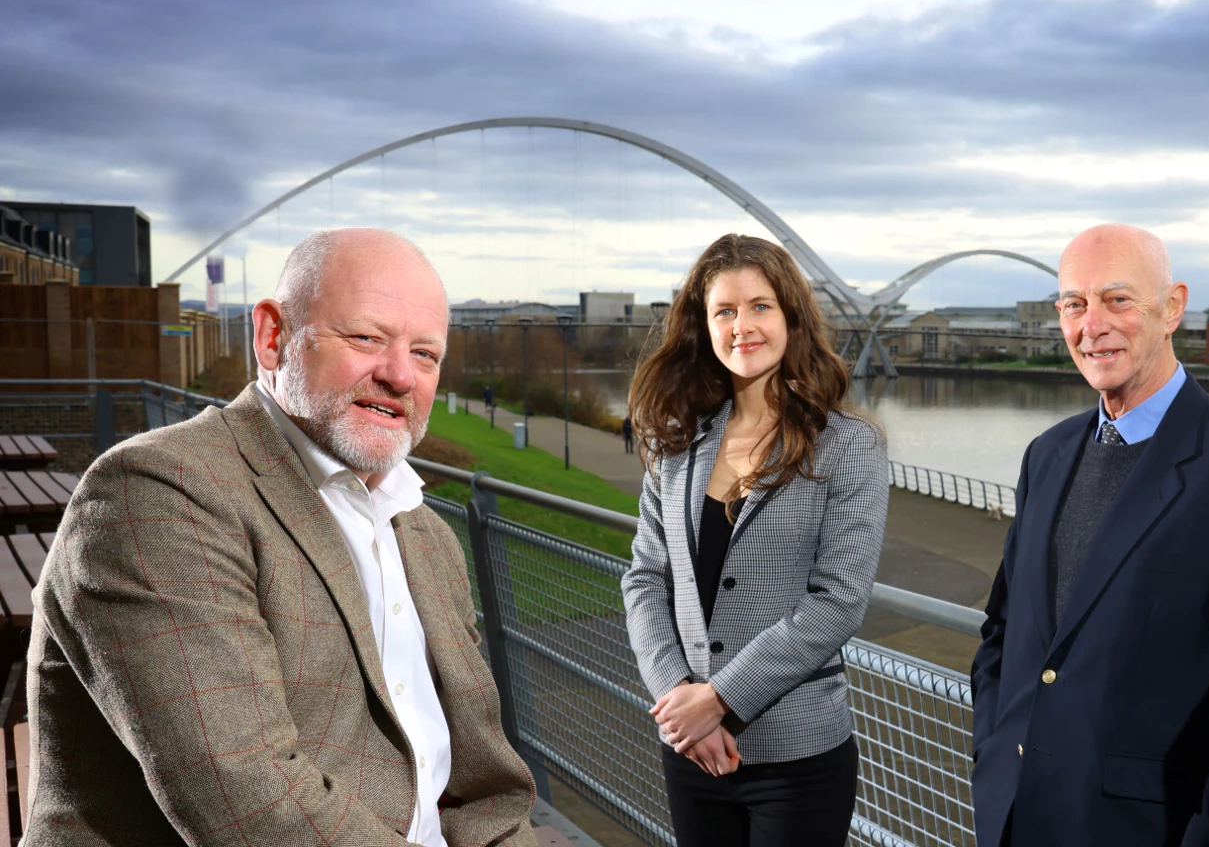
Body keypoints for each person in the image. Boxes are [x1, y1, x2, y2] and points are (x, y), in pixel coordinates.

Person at [26, 228, 538, 845]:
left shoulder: (425, 533)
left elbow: (484, 787)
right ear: (273, 338)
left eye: (425, 354)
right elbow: (251, 806)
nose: (400, 375)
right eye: (366, 338)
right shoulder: (159, 492)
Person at [971, 224, 1209, 846]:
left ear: (1172, 307)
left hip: (1149, 828)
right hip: (1015, 815)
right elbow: (1004, 629)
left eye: (1117, 300)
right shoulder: (1045, 455)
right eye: (1074, 304)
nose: (1091, 324)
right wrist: (991, 753)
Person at [622, 233, 888, 847]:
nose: (743, 325)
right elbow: (644, 579)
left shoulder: (848, 445)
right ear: (703, 326)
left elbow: (839, 601)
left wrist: (720, 698)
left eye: (760, 306)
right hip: (692, 750)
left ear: (791, 316)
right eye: (725, 310)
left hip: (797, 757)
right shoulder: (678, 445)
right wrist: (679, 701)